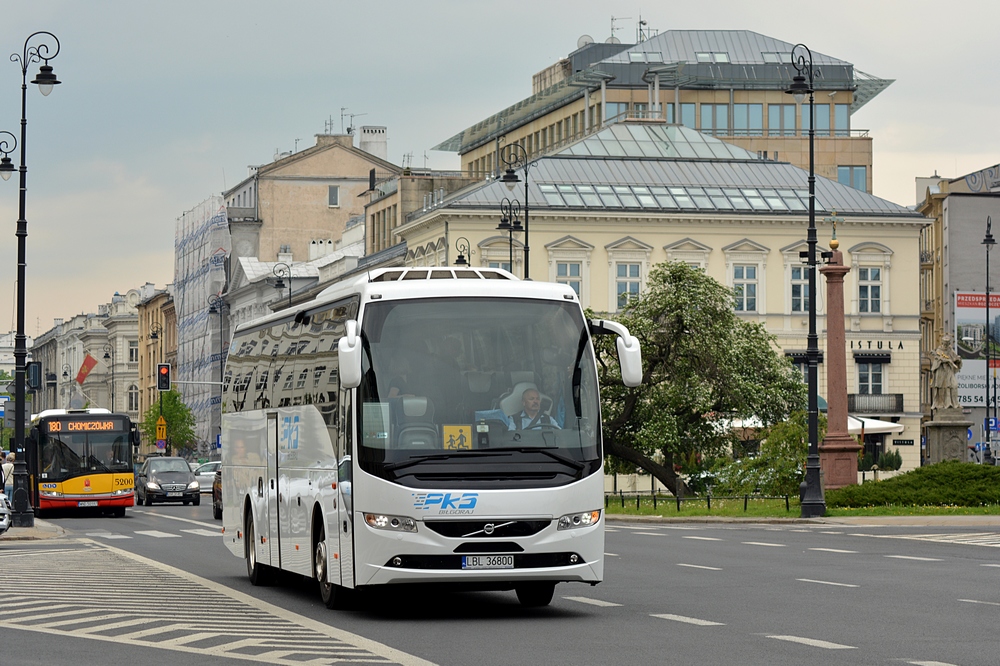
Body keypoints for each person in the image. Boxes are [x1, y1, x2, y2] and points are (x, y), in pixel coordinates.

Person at [930, 333, 962, 410]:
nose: (946, 345)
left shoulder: (950, 350)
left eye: (947, 344)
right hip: (941, 371)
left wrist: (958, 360)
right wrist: (942, 361)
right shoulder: (939, 350)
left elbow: (955, 358)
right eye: (944, 343)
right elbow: (936, 361)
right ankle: (943, 404)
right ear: (942, 343)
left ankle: (954, 403)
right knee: (942, 387)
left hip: (949, 371)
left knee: (954, 385)